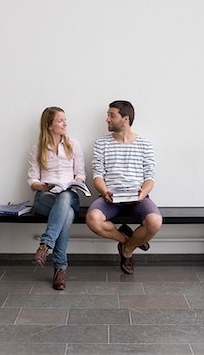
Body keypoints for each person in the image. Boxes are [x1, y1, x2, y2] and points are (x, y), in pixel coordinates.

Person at [86, 100, 162, 274]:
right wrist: (105, 192)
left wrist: (144, 192)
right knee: (92, 219)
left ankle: (126, 250)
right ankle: (127, 239)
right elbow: (97, 175)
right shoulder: (101, 143)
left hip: (137, 198)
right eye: (108, 115)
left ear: (125, 119)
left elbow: (150, 177)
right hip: (110, 197)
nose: (107, 119)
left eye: (112, 115)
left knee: (155, 222)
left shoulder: (145, 144)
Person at [27, 106, 86, 290]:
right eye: (60, 120)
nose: (65, 124)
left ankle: (45, 246)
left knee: (66, 197)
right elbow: (32, 179)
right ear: (49, 124)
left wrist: (76, 182)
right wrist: (43, 186)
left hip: (70, 195)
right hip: (46, 197)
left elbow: (81, 174)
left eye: (65, 120)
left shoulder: (73, 145)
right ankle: (60, 268)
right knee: (66, 213)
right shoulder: (38, 148)